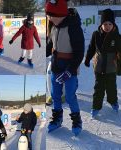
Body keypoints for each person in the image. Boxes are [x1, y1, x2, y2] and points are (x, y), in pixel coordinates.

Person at [46, 0, 85, 136]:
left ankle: (76, 119)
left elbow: (80, 52)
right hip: (56, 65)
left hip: (70, 67)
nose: (49, 18)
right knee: (55, 95)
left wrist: (70, 70)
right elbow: (50, 44)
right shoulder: (53, 25)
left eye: (51, 15)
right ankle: (57, 118)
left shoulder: (73, 27)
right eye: (48, 15)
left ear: (60, 14)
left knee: (69, 96)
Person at [84, 9, 121, 118]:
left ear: (113, 24)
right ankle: (95, 107)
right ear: (101, 24)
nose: (107, 26)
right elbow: (91, 48)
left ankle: (113, 102)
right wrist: (87, 59)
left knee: (111, 87)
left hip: (111, 67)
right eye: (105, 24)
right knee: (98, 88)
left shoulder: (117, 36)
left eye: (110, 24)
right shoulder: (96, 35)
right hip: (99, 66)